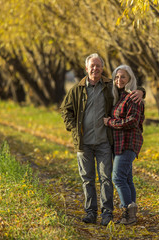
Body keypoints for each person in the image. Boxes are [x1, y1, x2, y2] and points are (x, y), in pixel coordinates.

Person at [60, 53, 144, 226]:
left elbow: (127, 87)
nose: (95, 69)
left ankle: (107, 214)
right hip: (84, 144)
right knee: (87, 179)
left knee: (107, 179)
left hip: (105, 142)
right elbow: (65, 110)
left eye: (98, 66)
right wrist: (73, 127)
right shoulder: (77, 89)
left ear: (102, 68)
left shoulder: (108, 85)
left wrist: (141, 91)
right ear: (86, 68)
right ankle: (90, 212)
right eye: (92, 66)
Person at [103, 65, 145, 225]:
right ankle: (131, 215)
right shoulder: (119, 96)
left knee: (118, 177)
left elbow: (133, 121)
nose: (119, 80)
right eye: (117, 77)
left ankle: (127, 211)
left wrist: (110, 122)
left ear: (130, 79)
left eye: (123, 77)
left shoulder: (132, 97)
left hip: (129, 143)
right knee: (127, 179)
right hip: (119, 144)